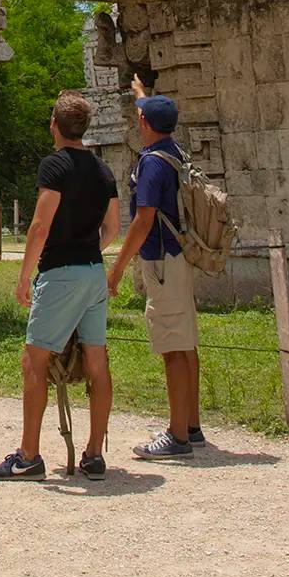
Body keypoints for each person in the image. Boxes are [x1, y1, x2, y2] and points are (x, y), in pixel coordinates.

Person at [0, 90, 118, 482]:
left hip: (60, 272)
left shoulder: (54, 166)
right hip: (94, 270)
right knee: (97, 359)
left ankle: (29, 455)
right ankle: (94, 453)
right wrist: (87, 249)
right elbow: (112, 228)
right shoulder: (102, 170)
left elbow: (41, 225)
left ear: (54, 126)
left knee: (35, 360)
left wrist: (25, 274)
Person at [106, 78, 205, 459]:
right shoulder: (171, 150)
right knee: (186, 342)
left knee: (172, 347)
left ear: (145, 124)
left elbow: (143, 220)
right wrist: (141, 96)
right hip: (177, 257)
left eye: (140, 116)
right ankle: (190, 425)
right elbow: (151, 112)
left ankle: (177, 436)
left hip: (161, 261)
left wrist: (116, 269)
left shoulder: (151, 165)